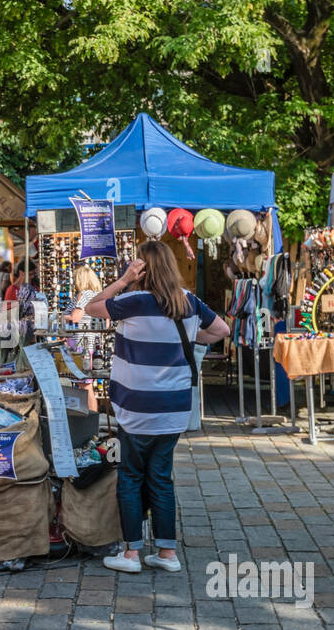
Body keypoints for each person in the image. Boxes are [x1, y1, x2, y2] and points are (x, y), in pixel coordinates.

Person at [86, 241, 229, 572]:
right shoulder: (188, 302)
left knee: (131, 476)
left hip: (135, 409)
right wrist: (191, 337)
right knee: (161, 478)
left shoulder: (133, 301)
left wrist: (122, 280)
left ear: (144, 269)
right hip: (174, 408)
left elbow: (91, 307)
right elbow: (221, 330)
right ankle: (167, 554)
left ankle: (132, 554)